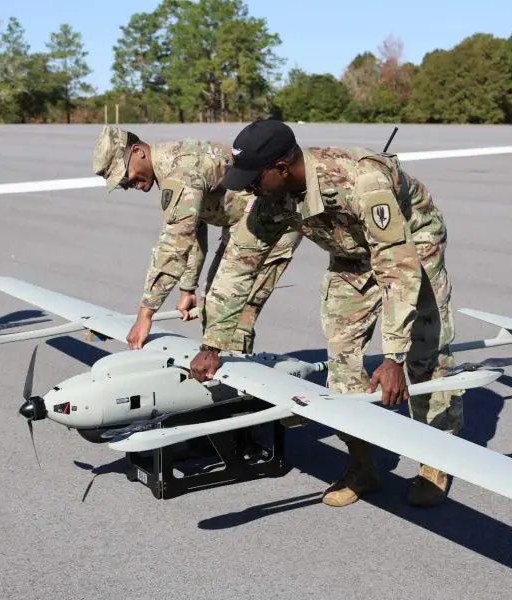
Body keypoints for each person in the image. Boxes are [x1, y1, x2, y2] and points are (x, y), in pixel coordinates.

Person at [189, 118, 464, 508]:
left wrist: (392, 355)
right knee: (342, 360)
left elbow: (396, 262)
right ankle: (363, 466)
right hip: (352, 255)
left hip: (411, 247)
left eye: (253, 179)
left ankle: (435, 460)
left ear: (282, 169)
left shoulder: (361, 182)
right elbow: (239, 263)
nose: (248, 188)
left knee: (425, 356)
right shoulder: (270, 198)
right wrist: (213, 342)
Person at [92, 124, 303, 353]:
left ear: (137, 152)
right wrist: (187, 288)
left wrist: (145, 314)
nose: (129, 184)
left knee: (233, 312)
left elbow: (174, 246)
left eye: (125, 176)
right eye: (123, 185)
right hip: (244, 223)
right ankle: (222, 367)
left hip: (273, 220)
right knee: (212, 308)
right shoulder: (169, 167)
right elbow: (194, 228)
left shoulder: (179, 171)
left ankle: (237, 378)